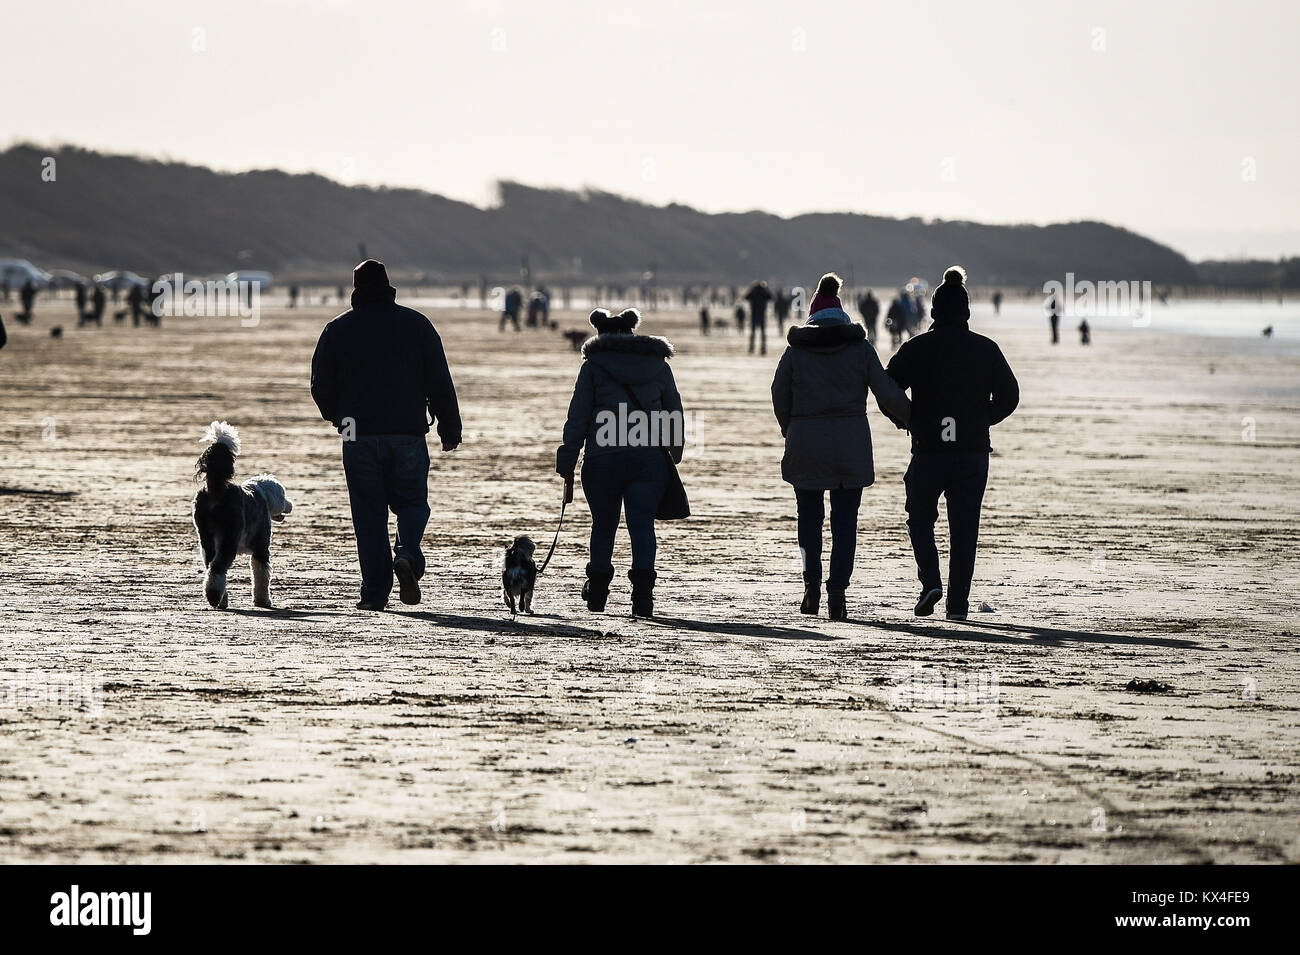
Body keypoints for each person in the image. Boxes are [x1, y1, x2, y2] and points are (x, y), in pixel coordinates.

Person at [311, 259, 462, 611]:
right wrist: (449, 427)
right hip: (407, 431)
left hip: (357, 434)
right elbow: (439, 380)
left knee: (368, 513)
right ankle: (407, 553)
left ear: (355, 290)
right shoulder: (417, 324)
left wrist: (339, 418)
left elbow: (320, 386)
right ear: (388, 286)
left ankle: (375, 593)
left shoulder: (338, 329)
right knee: (412, 503)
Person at [771, 273, 911, 621]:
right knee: (845, 523)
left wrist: (790, 427)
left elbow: (778, 393)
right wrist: (911, 420)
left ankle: (811, 587)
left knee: (809, 521)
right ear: (842, 314)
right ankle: (837, 593)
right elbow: (887, 392)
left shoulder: (796, 351)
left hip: (806, 443)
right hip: (851, 445)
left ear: (813, 316)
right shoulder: (860, 349)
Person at [886, 267, 1019, 622]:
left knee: (919, 518)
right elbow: (1010, 395)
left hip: (928, 450)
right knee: (964, 531)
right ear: (967, 312)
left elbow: (887, 388)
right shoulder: (986, 349)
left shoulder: (916, 348)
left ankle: (930, 580)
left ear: (933, 312)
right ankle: (957, 605)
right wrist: (982, 419)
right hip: (972, 454)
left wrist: (907, 418)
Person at [557, 307, 684, 619]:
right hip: (647, 457)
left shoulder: (592, 367)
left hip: (602, 459)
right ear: (632, 333)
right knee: (642, 526)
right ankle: (643, 598)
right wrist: (674, 451)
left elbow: (578, 417)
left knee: (603, 524)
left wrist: (567, 458)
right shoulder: (658, 365)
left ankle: (598, 592)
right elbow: (673, 410)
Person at [745, 280, 774, 355]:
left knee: (753, 333)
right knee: (763, 333)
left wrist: (751, 289)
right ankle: (763, 349)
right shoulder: (764, 293)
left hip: (754, 315)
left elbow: (746, 297)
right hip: (761, 315)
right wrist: (767, 288)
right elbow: (771, 297)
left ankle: (751, 348)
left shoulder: (754, 293)